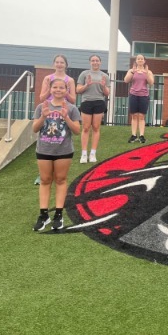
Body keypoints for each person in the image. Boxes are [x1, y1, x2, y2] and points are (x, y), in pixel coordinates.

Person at [32, 78, 81, 231]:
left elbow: (77, 131)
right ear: (50, 89)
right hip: (44, 149)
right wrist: (43, 116)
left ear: (66, 90)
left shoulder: (72, 108)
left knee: (60, 180)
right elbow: (35, 129)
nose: (58, 90)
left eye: (61, 87)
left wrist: (66, 117)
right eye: (55, 87)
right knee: (45, 180)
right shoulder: (42, 106)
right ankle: (44, 215)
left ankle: (58, 215)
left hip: (63, 151)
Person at [35, 54, 77, 185]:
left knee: (60, 138)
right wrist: (50, 89)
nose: (59, 64)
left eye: (62, 62)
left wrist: (64, 91)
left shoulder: (70, 80)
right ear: (54, 64)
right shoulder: (48, 78)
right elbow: (42, 98)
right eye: (57, 62)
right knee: (46, 140)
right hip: (48, 112)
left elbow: (73, 100)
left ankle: (57, 172)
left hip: (62, 111)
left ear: (66, 65)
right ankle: (43, 174)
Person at [76, 54, 110, 163]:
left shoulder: (104, 76)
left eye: (97, 60)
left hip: (99, 102)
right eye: (93, 60)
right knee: (86, 128)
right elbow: (78, 90)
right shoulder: (84, 74)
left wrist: (103, 86)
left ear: (100, 62)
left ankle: (92, 154)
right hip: (86, 102)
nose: (95, 62)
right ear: (90, 62)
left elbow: (107, 93)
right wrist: (86, 84)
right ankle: (84, 154)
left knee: (96, 128)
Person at [124, 54, 154, 143]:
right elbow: (126, 80)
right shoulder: (131, 70)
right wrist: (132, 72)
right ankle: (133, 135)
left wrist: (147, 74)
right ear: (136, 61)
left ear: (144, 61)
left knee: (141, 117)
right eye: (138, 59)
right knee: (134, 116)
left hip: (144, 96)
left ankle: (141, 136)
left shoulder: (148, 72)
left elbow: (151, 83)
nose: (140, 60)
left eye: (142, 59)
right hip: (133, 95)